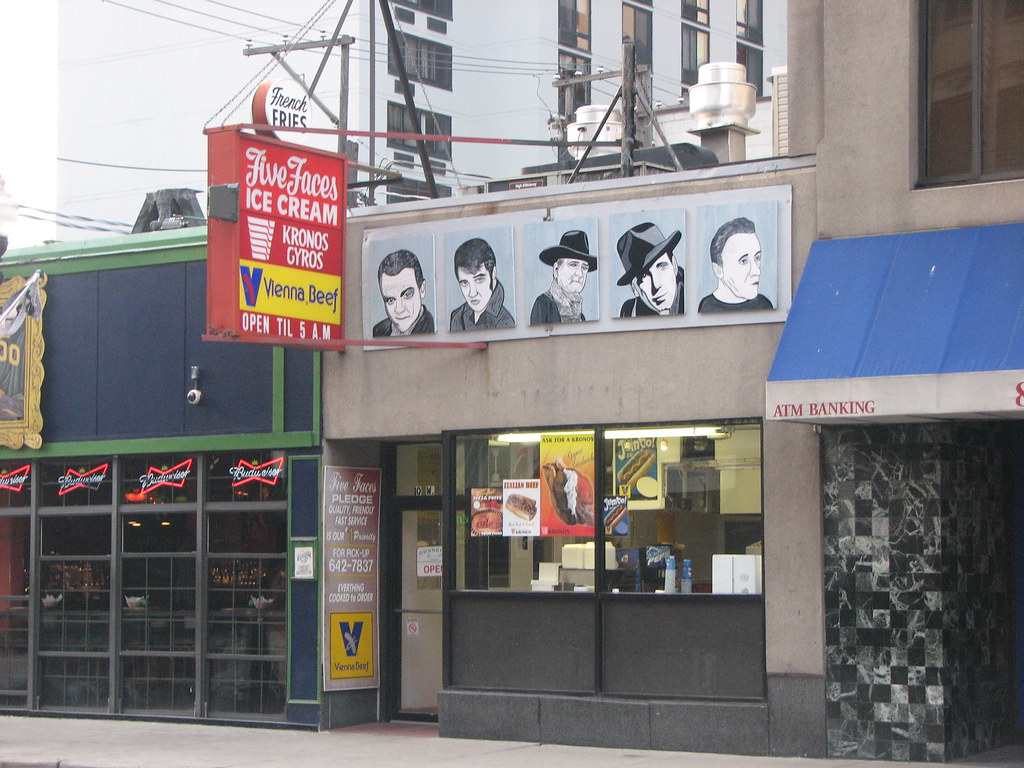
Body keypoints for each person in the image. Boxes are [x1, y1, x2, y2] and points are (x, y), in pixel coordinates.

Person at [698, 217, 775, 313]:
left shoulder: (764, 305)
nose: (757, 271)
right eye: (743, 261)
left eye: (757, 258)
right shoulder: (705, 308)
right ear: (718, 270)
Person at [616, 222, 684, 317]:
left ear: (674, 266)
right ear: (635, 289)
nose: (657, 285)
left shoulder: (691, 302)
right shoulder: (629, 312)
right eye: (643, 276)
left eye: (662, 266)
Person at [530, 230, 597, 324]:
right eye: (573, 265)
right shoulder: (544, 304)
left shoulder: (580, 316)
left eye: (584, 268)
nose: (580, 273)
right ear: (556, 269)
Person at [449, 237, 515, 331]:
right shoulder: (457, 317)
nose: (472, 293)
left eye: (479, 280)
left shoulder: (505, 323)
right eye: (464, 283)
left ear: (493, 273)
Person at [372, 249, 435, 337]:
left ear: (422, 289)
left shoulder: (433, 329)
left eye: (407, 295)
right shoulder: (378, 331)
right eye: (390, 300)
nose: (399, 309)